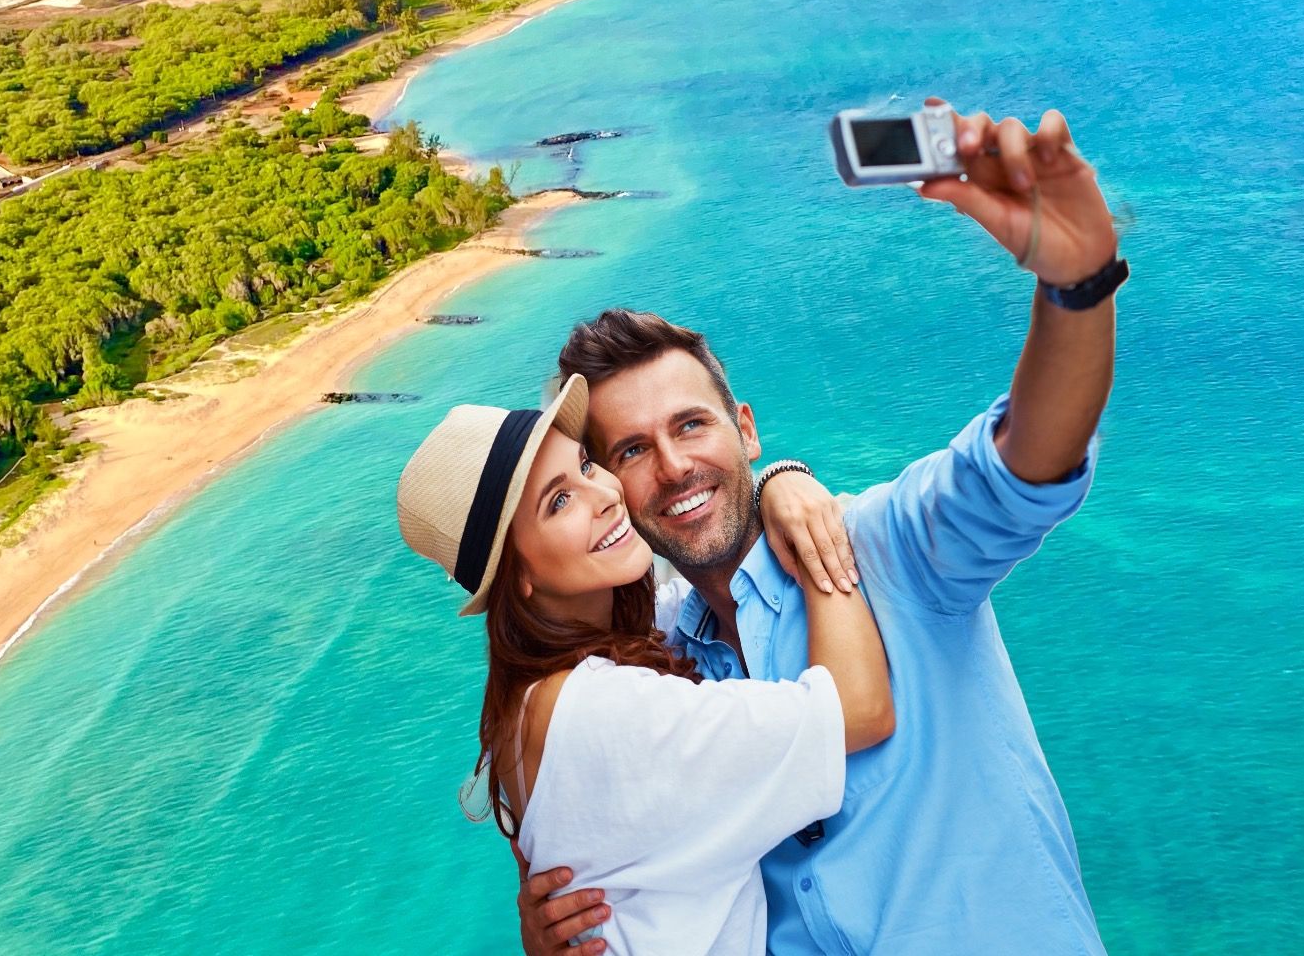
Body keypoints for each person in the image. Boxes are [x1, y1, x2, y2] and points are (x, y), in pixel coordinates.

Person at [518, 103, 1126, 954]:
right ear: (610, 487)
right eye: (629, 450)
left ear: (748, 430)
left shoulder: (889, 550)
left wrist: (1077, 285)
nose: (674, 467)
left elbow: (1029, 460)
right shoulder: (648, 666)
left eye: (692, 426)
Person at [396, 372, 895, 954]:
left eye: (586, 465)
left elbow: (694, 592)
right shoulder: (604, 713)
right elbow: (857, 710)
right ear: (520, 574)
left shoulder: (534, 697)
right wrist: (810, 520)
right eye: (559, 502)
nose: (605, 494)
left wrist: (773, 482)